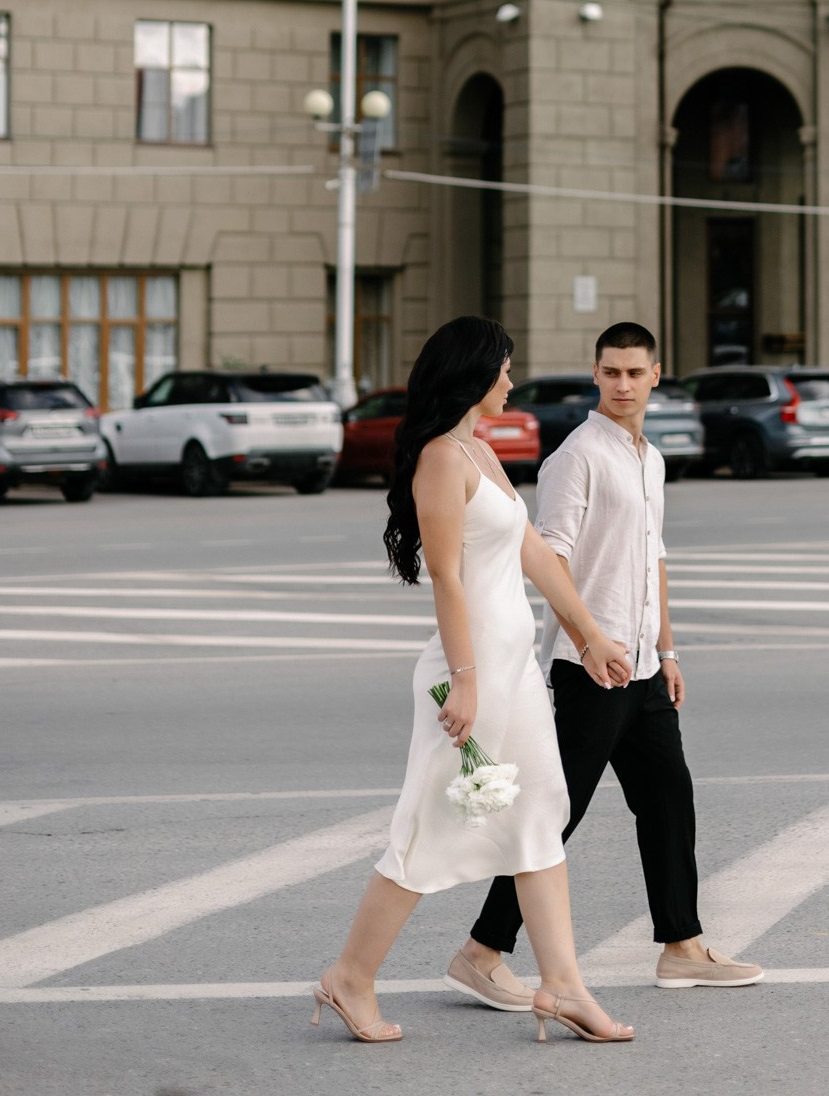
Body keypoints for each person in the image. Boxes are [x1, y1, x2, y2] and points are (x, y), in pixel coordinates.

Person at [313, 315, 636, 1046]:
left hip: (512, 669)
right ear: (475, 373)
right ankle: (349, 978)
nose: (512, 381)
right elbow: (448, 582)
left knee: (538, 815)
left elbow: (540, 559)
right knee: (427, 826)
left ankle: (565, 988)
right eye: (505, 369)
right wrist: (464, 681)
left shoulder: (480, 452)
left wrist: (589, 636)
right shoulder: (439, 460)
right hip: (468, 672)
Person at [449, 320, 763, 1006]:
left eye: (635, 372)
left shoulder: (647, 458)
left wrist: (668, 650)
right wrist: (589, 642)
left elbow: (653, 560)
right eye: (611, 372)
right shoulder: (577, 456)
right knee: (556, 812)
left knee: (669, 799)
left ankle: (682, 947)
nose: (623, 383)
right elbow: (549, 560)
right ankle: (481, 951)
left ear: (656, 376)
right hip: (590, 667)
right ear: (596, 375)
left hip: (642, 666)